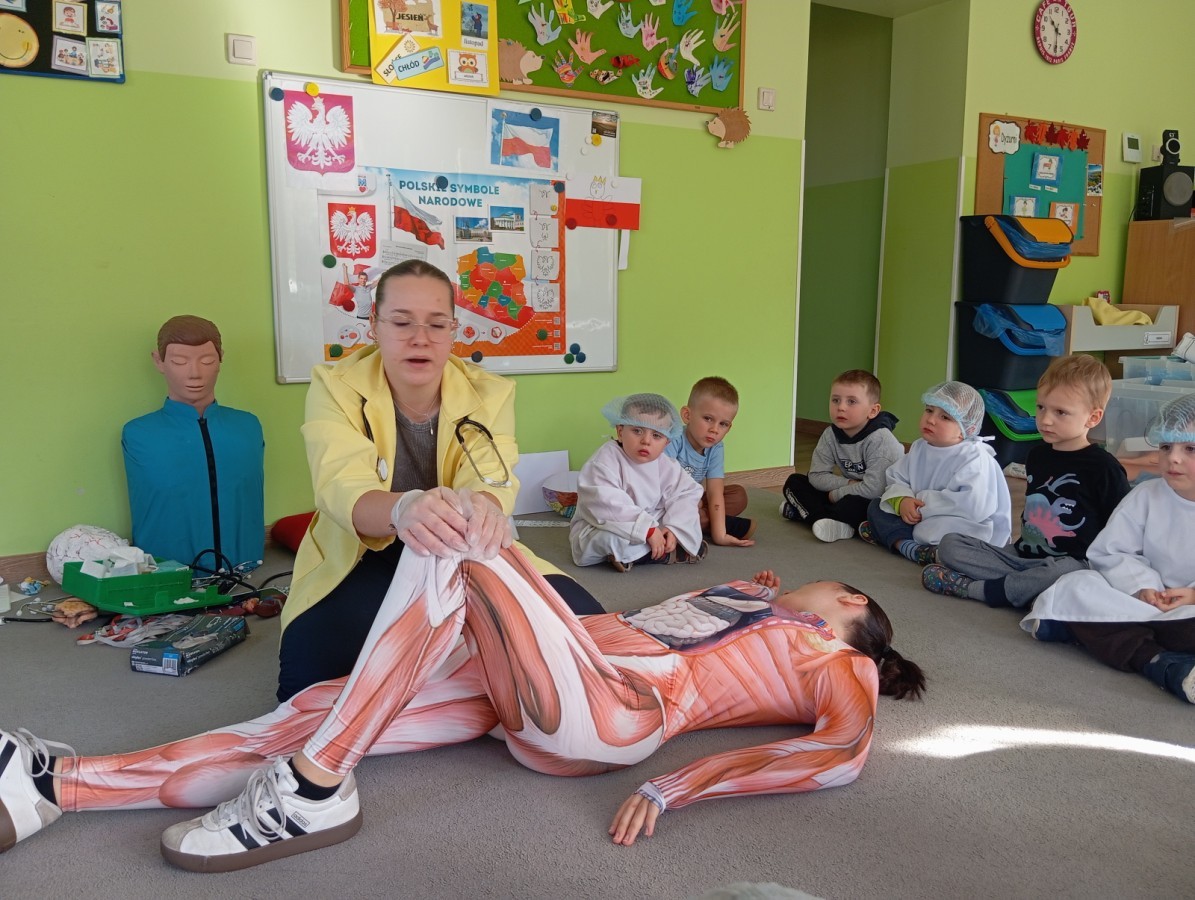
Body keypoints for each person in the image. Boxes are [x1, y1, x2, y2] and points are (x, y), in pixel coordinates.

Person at [0, 543, 925, 869]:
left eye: (820, 585)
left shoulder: (836, 655)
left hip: (613, 711)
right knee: (321, 708)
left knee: (458, 540)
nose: (798, 583)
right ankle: (56, 785)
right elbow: (721, 606)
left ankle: (313, 792)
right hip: (529, 677)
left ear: (850, 603)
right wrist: (742, 591)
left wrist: (678, 787)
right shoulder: (751, 602)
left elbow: (839, 752)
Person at [277, 259, 603, 702]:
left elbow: (491, 476)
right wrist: (402, 508)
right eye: (401, 322)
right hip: (365, 551)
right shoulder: (334, 385)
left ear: (453, 330)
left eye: (436, 324)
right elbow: (341, 482)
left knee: (589, 634)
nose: (420, 338)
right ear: (374, 326)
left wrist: (485, 509)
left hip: (462, 546)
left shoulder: (490, 392)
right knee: (307, 686)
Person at [1021, 393, 1195, 704]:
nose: (1173, 458)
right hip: (1139, 600)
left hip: (1188, 613)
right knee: (1076, 584)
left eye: (1190, 449)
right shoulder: (1146, 495)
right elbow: (1111, 552)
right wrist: (1142, 587)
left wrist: (1192, 595)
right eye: (1166, 447)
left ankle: (1082, 629)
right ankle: (1159, 662)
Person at [924, 356, 1130, 607]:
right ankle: (1026, 589)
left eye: (1060, 412)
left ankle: (978, 589)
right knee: (950, 545)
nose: (1045, 419)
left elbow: (1121, 530)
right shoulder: (1036, 455)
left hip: (1070, 564)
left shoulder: (1105, 468)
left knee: (1066, 574)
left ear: (1093, 418)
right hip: (1022, 555)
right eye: (1041, 407)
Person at [121, 315, 265, 574]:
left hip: (246, 569)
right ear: (159, 361)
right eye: (179, 361)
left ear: (220, 359)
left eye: (207, 361)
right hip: (169, 578)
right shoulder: (139, 434)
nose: (195, 373)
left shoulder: (247, 427)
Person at [859, 381, 1011, 564]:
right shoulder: (919, 447)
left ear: (966, 429)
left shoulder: (974, 459)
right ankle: (910, 547)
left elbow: (973, 506)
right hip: (918, 517)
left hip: (959, 523)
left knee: (957, 544)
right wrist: (903, 500)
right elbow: (897, 476)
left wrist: (922, 505)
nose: (931, 420)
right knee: (876, 506)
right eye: (929, 410)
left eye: (945, 417)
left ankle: (898, 539)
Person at [570, 393, 705, 571]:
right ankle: (656, 554)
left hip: (650, 522)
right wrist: (646, 529)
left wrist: (674, 528)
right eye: (637, 431)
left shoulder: (666, 465)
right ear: (620, 432)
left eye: (656, 435)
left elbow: (685, 493)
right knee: (612, 539)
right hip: (605, 525)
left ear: (666, 443)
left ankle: (649, 550)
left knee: (684, 524)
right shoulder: (604, 461)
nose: (646, 441)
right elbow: (606, 502)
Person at [780, 369, 904, 543]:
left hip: (877, 499)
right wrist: (847, 484)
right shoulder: (830, 434)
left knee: (854, 505)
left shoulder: (882, 440)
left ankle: (808, 514)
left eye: (851, 401)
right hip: (849, 489)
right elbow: (816, 476)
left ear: (873, 411)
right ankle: (827, 520)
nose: (841, 407)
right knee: (794, 482)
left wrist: (835, 495)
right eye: (835, 400)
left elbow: (875, 489)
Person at [665, 376, 756, 548]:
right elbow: (660, 488)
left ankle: (701, 522)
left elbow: (715, 492)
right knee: (692, 505)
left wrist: (720, 536)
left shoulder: (716, 447)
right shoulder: (673, 439)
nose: (714, 429)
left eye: (723, 424)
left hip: (694, 501)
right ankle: (699, 523)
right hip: (667, 500)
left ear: (729, 428)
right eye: (708, 418)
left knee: (738, 495)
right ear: (687, 415)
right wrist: (692, 503)